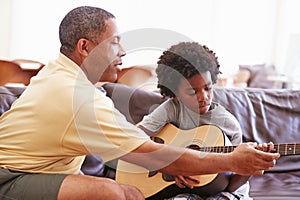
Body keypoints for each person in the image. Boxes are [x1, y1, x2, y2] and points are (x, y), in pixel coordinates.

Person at [0, 6, 280, 200]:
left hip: (35, 171)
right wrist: (232, 159)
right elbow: (152, 154)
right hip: (9, 177)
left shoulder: (60, 73)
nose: (123, 51)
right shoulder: (75, 96)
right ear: (85, 47)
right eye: (115, 43)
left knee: (129, 193)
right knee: (113, 193)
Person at [138, 42, 252, 199]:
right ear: (175, 94)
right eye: (193, 92)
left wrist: (250, 168)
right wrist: (169, 167)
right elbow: (133, 139)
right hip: (186, 192)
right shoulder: (172, 109)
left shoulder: (228, 125)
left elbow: (231, 185)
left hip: (225, 192)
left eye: (208, 88)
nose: (203, 97)